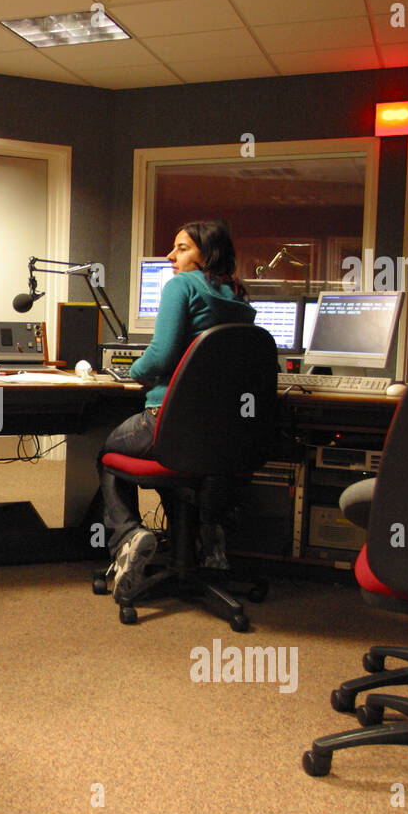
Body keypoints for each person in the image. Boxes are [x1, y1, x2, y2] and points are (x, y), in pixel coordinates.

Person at [101, 219, 256, 602]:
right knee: (185, 471)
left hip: (166, 423)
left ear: (208, 255)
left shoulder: (181, 286)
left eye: (182, 248)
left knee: (108, 454)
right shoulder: (240, 300)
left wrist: (132, 373)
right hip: (223, 436)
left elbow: (162, 354)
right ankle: (204, 537)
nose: (171, 256)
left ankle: (129, 536)